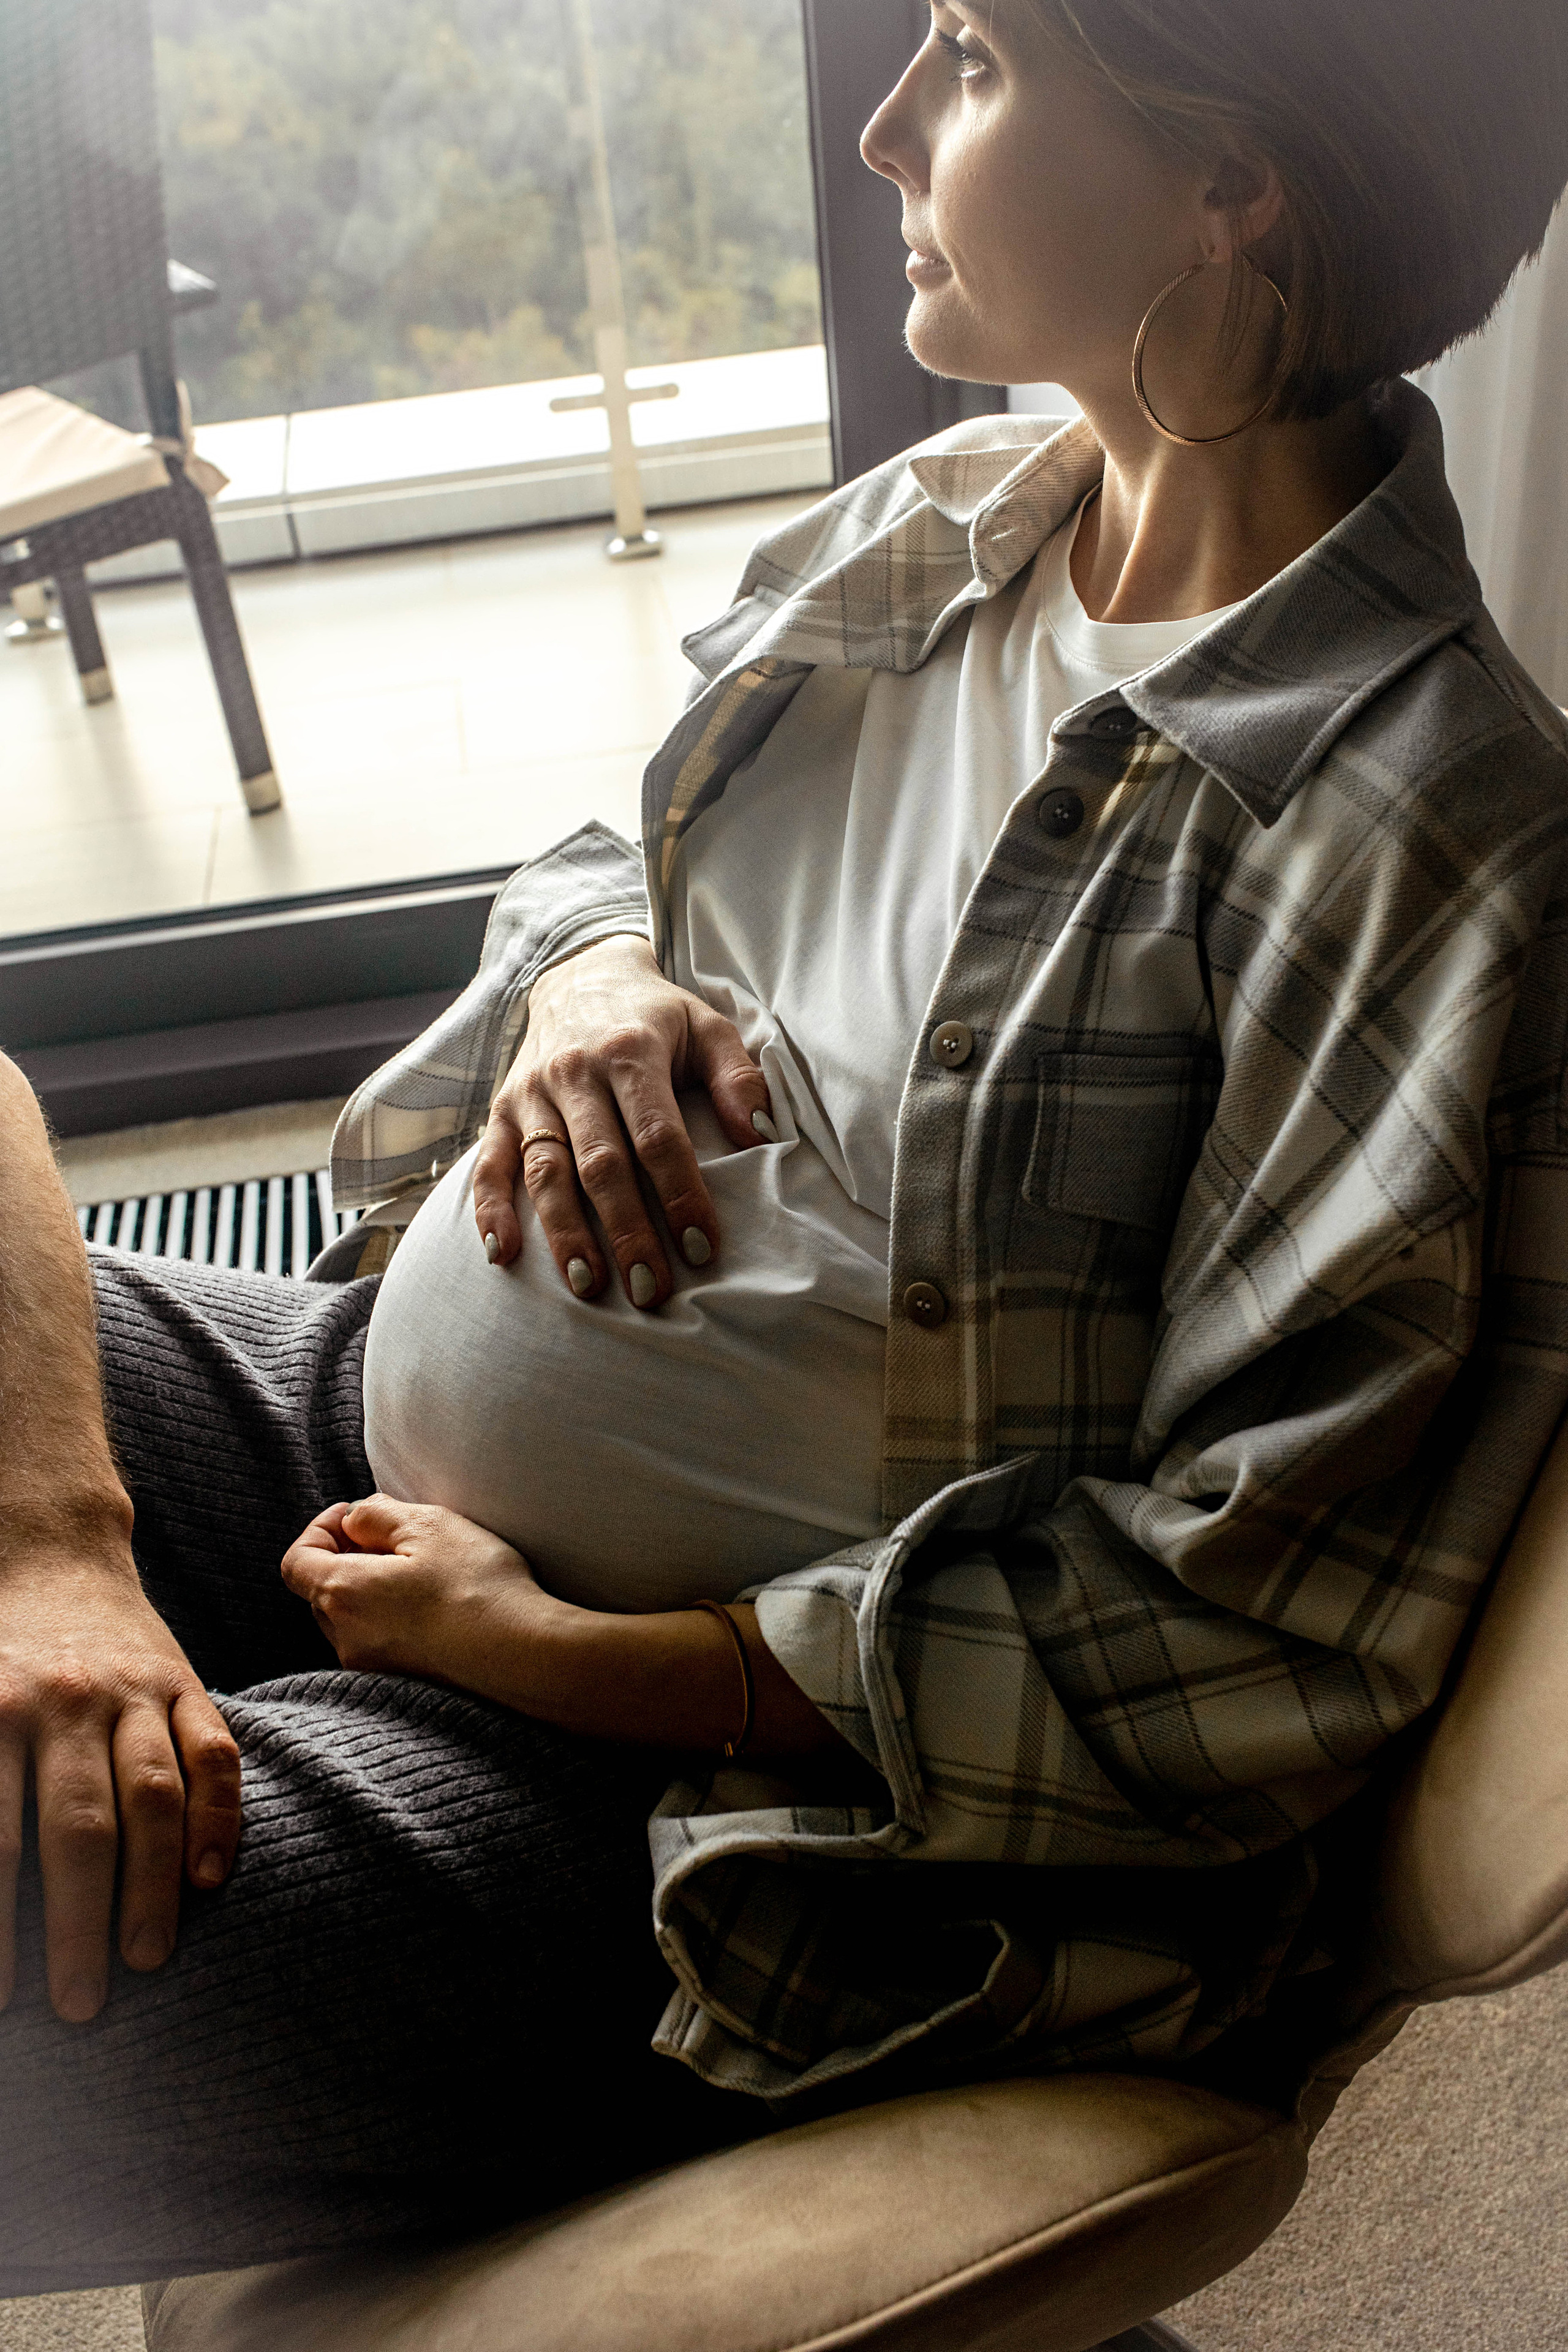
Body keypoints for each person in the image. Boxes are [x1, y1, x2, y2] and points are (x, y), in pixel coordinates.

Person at [5, 0, 1568, 2293]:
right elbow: (602, 857)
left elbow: (1246, 1633)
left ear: (1236, 184)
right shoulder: (941, 528)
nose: (882, 127)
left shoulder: (1425, 835)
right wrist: (585, 976)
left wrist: (575, 1658)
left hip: (692, 1802)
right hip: (359, 1420)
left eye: (974, 58)